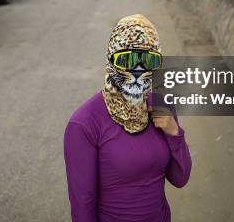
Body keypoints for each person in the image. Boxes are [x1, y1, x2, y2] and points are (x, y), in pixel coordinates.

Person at [64, 14, 192, 222]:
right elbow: (82, 204)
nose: (137, 71)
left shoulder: (162, 106)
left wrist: (174, 134)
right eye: (127, 58)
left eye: (148, 59)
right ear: (111, 58)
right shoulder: (84, 124)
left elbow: (180, 178)